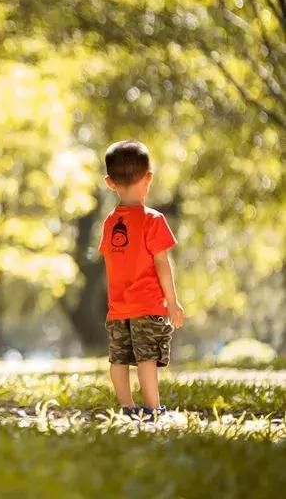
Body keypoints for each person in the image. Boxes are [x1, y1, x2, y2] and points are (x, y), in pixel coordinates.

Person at [98, 140, 186, 418]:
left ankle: (127, 408)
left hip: (117, 308)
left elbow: (110, 262)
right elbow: (162, 263)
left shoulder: (110, 223)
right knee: (147, 359)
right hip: (147, 306)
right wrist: (172, 301)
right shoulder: (153, 220)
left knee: (119, 360)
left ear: (110, 183)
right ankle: (152, 408)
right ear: (148, 178)